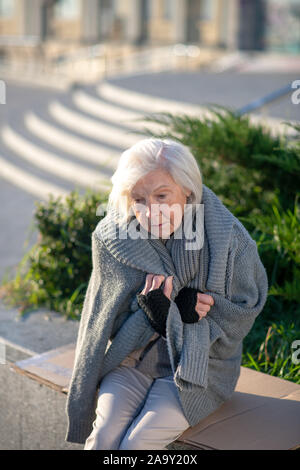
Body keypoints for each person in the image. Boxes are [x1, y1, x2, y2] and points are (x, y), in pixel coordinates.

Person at [65, 138, 269, 450]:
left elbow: (242, 315)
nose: (151, 212)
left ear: (187, 191)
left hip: (199, 369)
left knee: (137, 444)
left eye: (162, 195)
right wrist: (149, 311)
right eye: (139, 199)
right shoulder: (114, 239)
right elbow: (102, 320)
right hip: (133, 361)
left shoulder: (229, 239)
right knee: (102, 439)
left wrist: (189, 318)